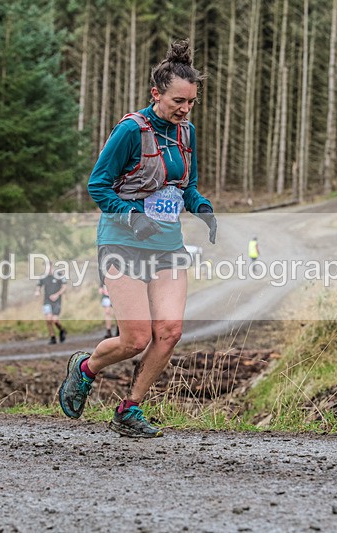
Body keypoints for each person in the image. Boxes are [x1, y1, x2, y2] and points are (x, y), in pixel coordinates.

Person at [58, 39, 217, 438]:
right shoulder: (131, 130)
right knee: (135, 338)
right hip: (122, 242)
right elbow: (98, 186)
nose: (185, 109)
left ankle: (129, 409)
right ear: (156, 94)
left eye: (191, 102)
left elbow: (186, 186)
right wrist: (132, 216)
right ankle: (85, 368)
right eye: (178, 101)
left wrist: (202, 208)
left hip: (167, 246)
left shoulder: (187, 133)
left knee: (169, 333)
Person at [34, 262, 67, 344]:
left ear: (51, 266)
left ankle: (62, 330)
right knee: (48, 319)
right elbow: (38, 285)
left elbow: (64, 287)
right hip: (47, 300)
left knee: (55, 320)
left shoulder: (59, 275)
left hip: (57, 301)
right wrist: (37, 291)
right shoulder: (43, 277)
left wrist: (57, 294)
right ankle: (52, 337)